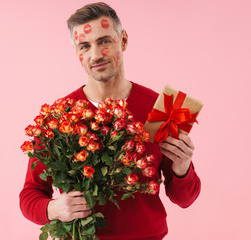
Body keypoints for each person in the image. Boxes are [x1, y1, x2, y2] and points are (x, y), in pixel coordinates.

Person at [19, 2, 201, 239]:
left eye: (104, 41)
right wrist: (52, 209)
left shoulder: (162, 109)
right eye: (85, 45)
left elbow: (185, 199)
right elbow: (30, 194)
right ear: (77, 53)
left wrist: (182, 169)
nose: (96, 55)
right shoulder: (58, 117)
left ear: (123, 40)